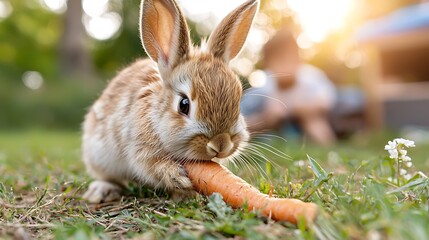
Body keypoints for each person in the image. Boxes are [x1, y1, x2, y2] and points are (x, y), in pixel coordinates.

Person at [241, 28, 337, 145]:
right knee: (265, 121)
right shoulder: (267, 83)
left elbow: (326, 101)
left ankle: (327, 145)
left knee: (313, 121)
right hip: (279, 125)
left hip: (308, 117)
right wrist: (269, 116)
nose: (285, 66)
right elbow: (267, 110)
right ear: (268, 64)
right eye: (279, 61)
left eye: (289, 59)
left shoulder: (310, 76)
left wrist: (299, 108)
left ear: (299, 59)